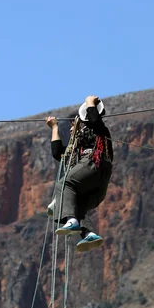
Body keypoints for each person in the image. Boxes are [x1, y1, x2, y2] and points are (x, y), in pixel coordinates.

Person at [44, 95, 114, 252]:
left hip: (94, 165)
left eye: (74, 126)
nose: (72, 130)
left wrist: (90, 103)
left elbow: (95, 121)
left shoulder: (99, 130)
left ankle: (71, 219)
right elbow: (58, 154)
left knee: (64, 183)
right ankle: (88, 233)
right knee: (76, 204)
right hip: (97, 186)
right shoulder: (78, 147)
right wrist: (54, 128)